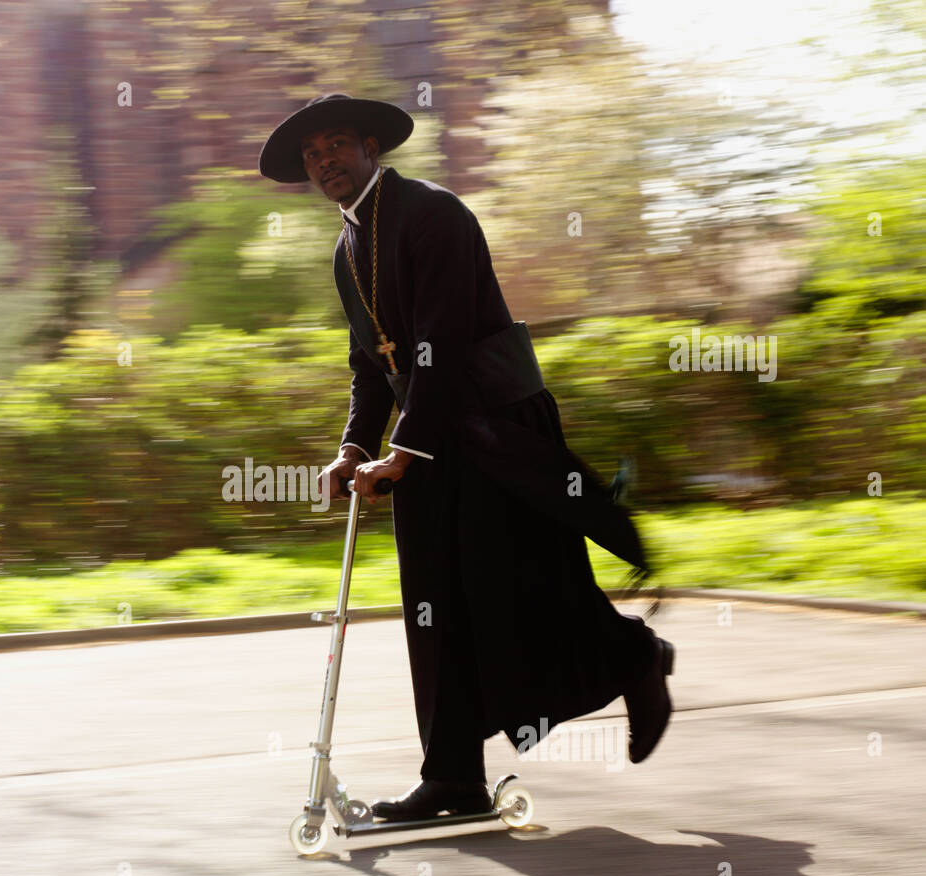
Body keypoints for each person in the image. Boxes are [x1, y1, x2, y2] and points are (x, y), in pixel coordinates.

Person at [259, 93, 676, 822]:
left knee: (526, 583)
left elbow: (442, 345)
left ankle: (634, 657)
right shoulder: (347, 245)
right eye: (311, 155)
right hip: (424, 440)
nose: (324, 161)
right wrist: (355, 445)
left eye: (335, 146)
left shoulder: (433, 214)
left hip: (493, 427)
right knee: (434, 607)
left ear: (369, 147)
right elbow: (371, 362)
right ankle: (452, 775)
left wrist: (401, 449)